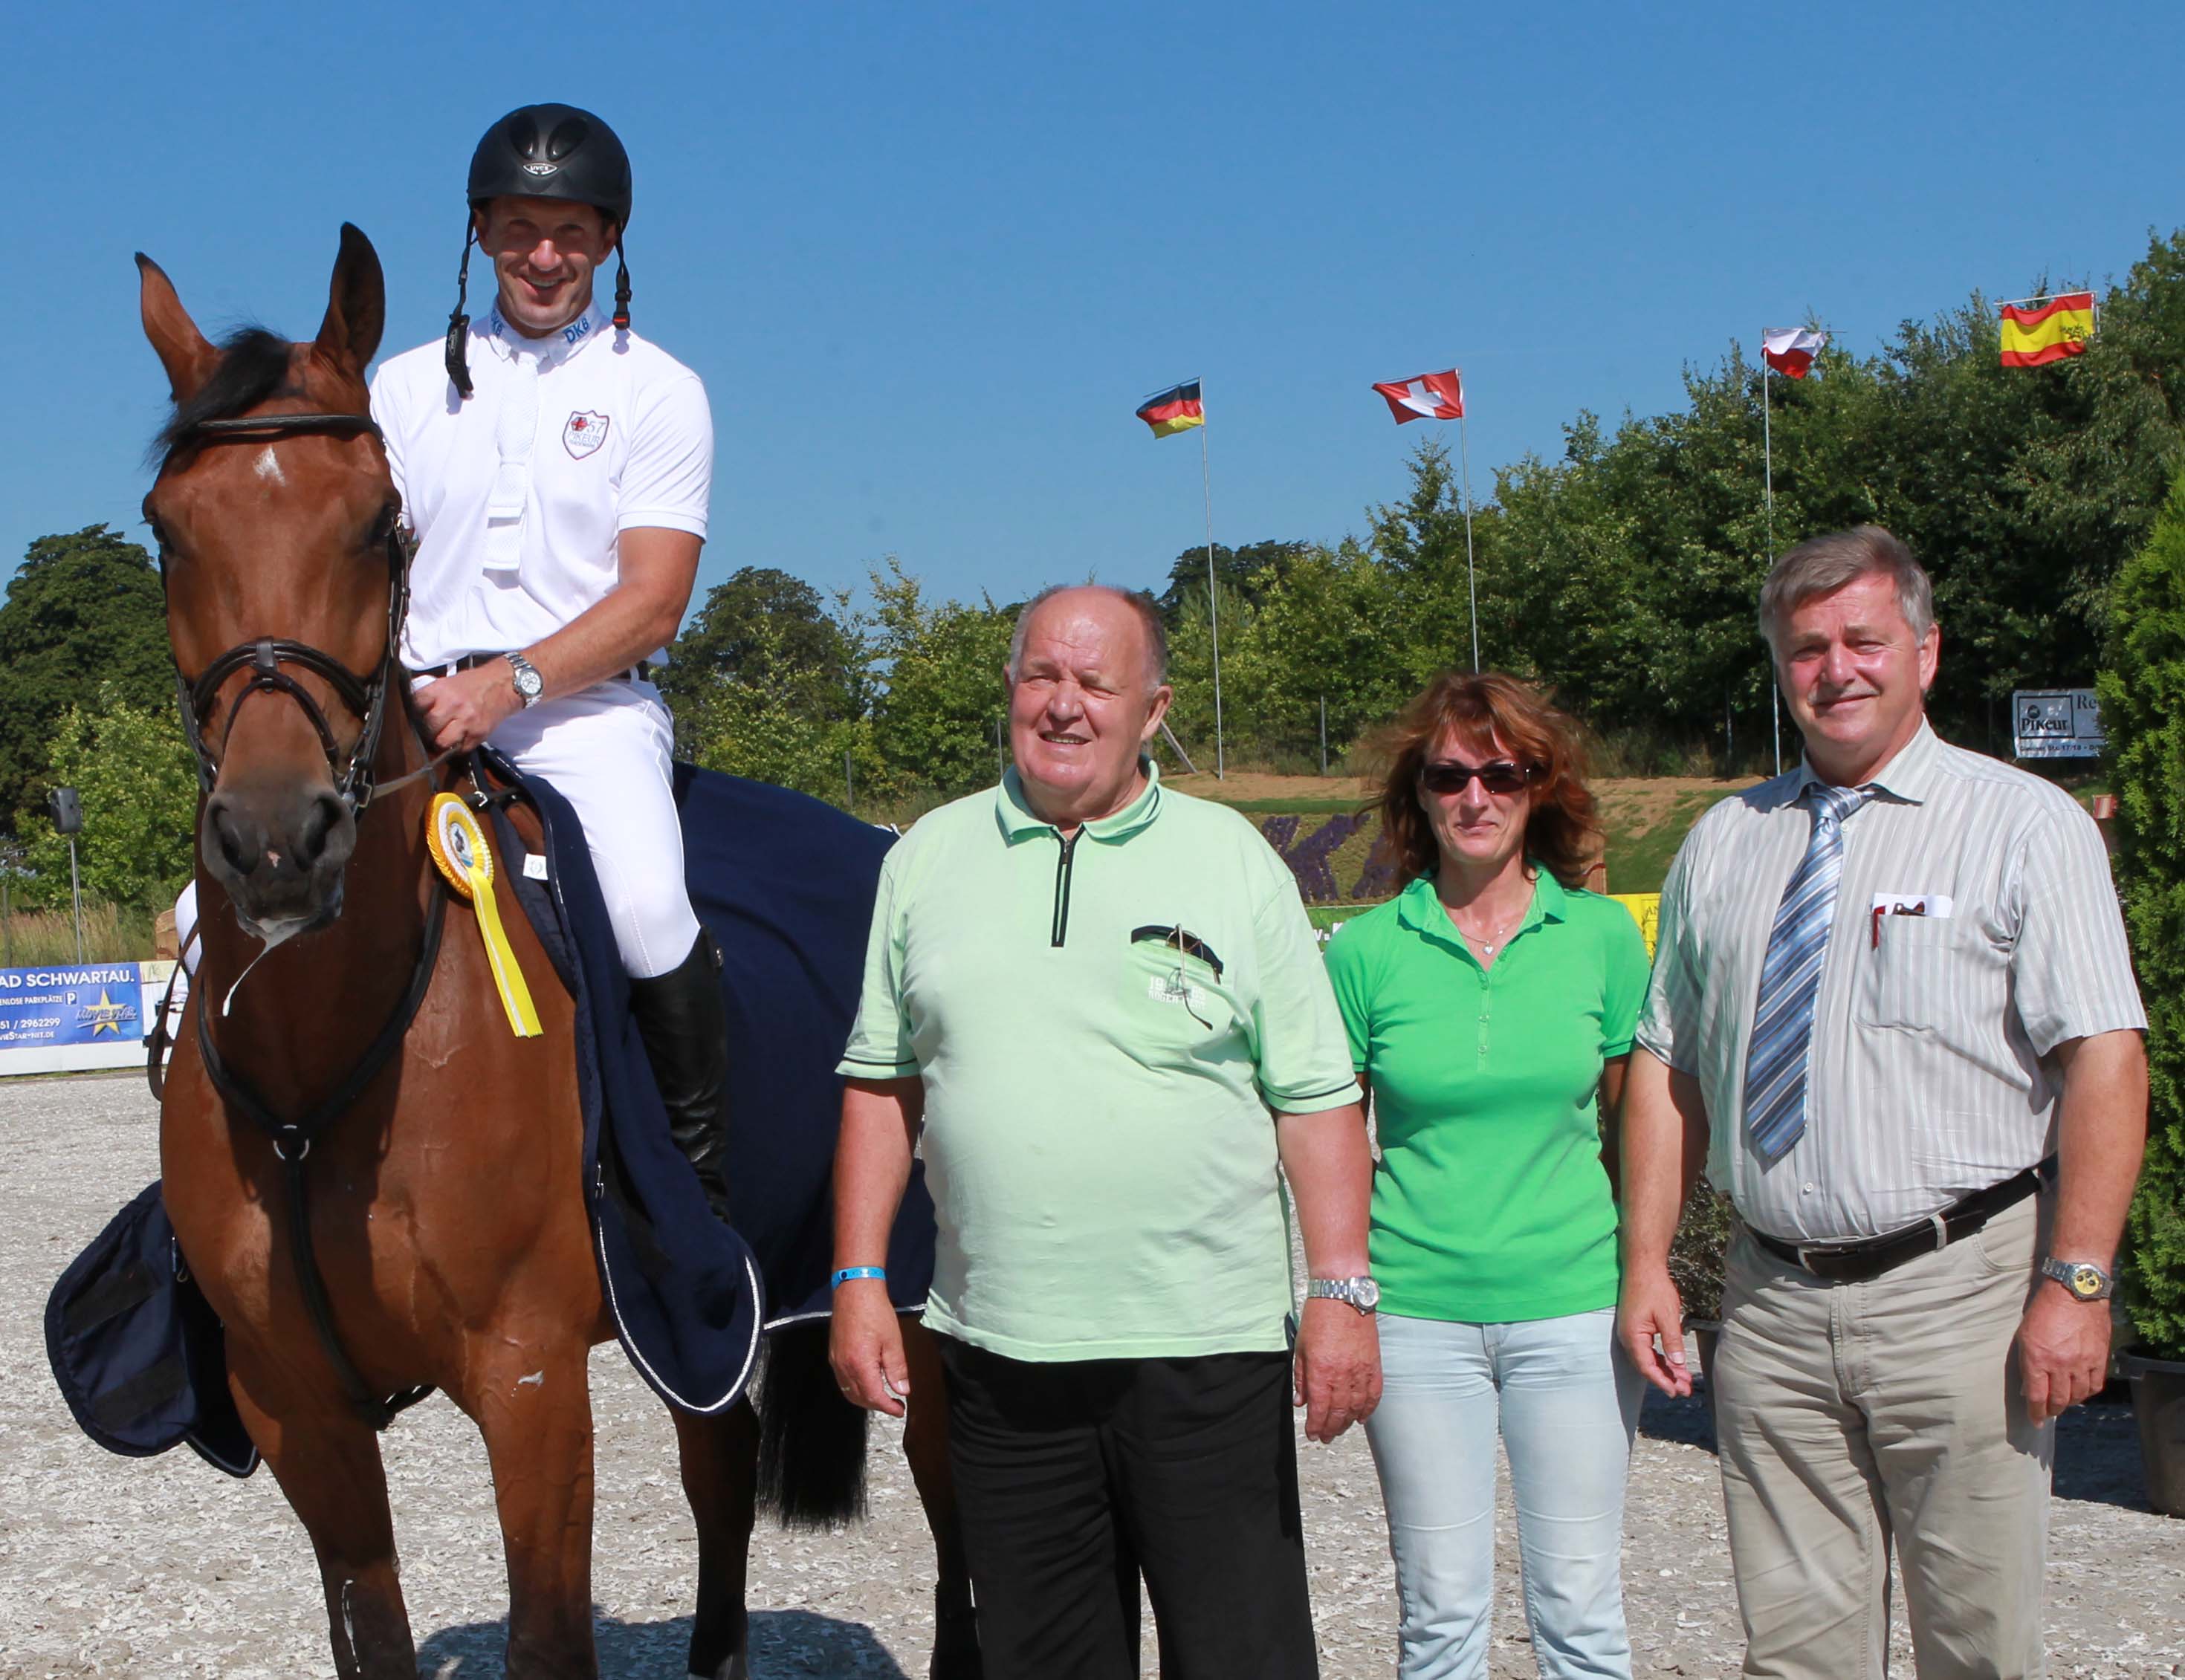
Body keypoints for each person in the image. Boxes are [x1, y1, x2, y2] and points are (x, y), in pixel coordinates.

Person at [1617, 526, 2148, 1680]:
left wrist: (2081, 1278)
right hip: (1770, 1305)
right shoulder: (1725, 842)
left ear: (1927, 651)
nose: (1836, 669)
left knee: (1979, 1647)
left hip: (1961, 1300)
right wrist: (1647, 1261)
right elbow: (1669, 1065)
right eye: (1807, 648)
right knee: (1797, 1654)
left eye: (1865, 639)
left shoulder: (2023, 827)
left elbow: (2105, 1056)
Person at [826, 584, 1380, 1680]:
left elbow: (1315, 1093)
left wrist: (1341, 1293)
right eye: (1043, 675)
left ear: (1154, 707)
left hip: (1205, 1348)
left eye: (1096, 682)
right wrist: (855, 1273)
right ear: (1011, 687)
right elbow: (881, 1083)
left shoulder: (1233, 861)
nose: (1065, 705)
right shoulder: (925, 859)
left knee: (1243, 1661)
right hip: (1002, 1354)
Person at [367, 105, 734, 1217]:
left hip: (582, 718)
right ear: (480, 232)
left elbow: (655, 601)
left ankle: (692, 1198)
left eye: (570, 231)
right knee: (219, 910)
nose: (544, 256)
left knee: (645, 910)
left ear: (608, 241)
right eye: (521, 227)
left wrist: (510, 683)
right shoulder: (396, 388)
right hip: (415, 706)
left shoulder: (659, 390)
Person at [1325, 672, 1651, 1680]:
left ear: (1538, 786)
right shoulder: (1368, 952)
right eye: (1450, 774)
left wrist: (1651, 1268)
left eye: (1501, 773)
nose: (1476, 795)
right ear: (1417, 795)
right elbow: (1331, 1133)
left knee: (1581, 1611)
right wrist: (1338, 1295)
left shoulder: (1600, 937)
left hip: (1573, 1309)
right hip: (1418, 1316)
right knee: (1441, 1615)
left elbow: (1639, 1118)